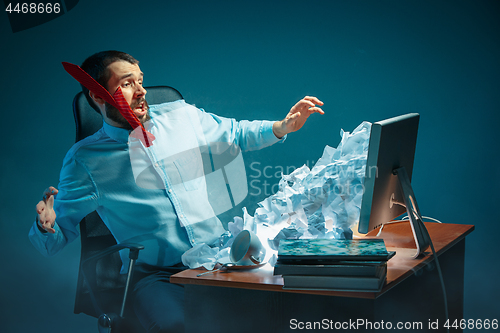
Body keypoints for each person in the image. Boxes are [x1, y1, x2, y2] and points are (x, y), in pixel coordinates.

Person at [29, 50, 324, 333]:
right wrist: (47, 226)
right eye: (127, 84)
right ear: (97, 95)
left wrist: (282, 127)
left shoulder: (181, 116)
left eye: (140, 80)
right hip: (157, 276)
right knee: (177, 327)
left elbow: (234, 133)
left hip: (218, 257)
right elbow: (53, 241)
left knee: (289, 306)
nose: (141, 91)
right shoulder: (86, 160)